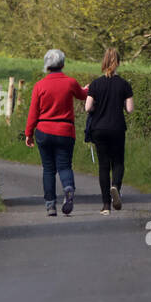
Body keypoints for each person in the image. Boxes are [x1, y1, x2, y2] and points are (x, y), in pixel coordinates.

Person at [24, 49, 89, 217]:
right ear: (63, 64)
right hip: (65, 131)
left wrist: (29, 133)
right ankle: (68, 188)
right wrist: (87, 89)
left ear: (47, 65)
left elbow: (33, 113)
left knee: (48, 169)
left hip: (44, 131)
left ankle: (50, 205)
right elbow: (82, 95)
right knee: (65, 166)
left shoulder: (40, 85)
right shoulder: (70, 82)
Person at [85, 48, 133, 214]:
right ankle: (116, 187)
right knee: (118, 162)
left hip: (99, 129)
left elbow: (87, 107)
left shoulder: (96, 84)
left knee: (103, 166)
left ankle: (106, 205)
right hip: (117, 128)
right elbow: (130, 109)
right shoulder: (124, 84)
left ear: (104, 62)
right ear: (118, 63)